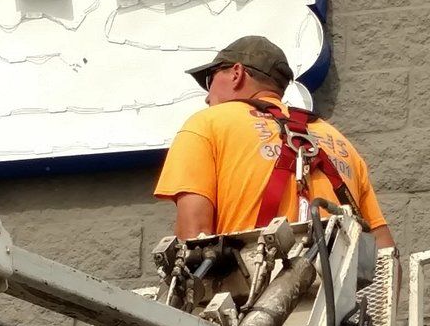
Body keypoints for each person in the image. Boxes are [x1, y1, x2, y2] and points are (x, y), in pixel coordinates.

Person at [155, 34, 395, 250]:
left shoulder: (206, 124)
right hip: (337, 294)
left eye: (210, 80)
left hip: (247, 292)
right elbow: (385, 253)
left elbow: (193, 239)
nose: (207, 97)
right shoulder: (339, 142)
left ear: (237, 74)